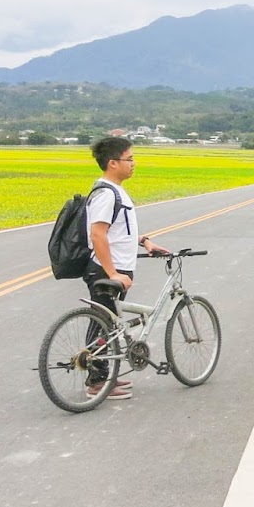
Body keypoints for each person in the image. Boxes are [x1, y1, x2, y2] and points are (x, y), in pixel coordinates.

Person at [84, 137, 169, 399]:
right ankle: (97, 383)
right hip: (106, 269)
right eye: (129, 159)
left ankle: (103, 378)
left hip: (117, 267)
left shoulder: (116, 191)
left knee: (108, 325)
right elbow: (98, 234)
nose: (133, 163)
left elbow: (121, 230)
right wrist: (112, 273)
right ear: (112, 163)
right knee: (103, 325)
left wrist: (144, 241)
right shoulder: (107, 193)